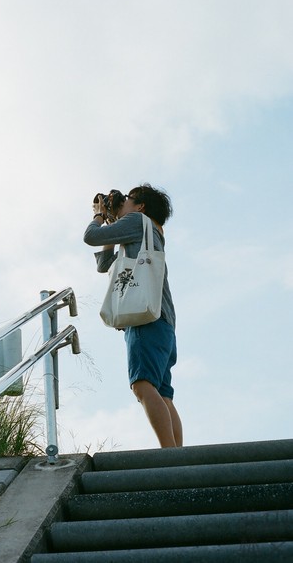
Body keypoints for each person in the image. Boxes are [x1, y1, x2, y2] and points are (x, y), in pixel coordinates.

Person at [83, 184, 183, 448]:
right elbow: (104, 264)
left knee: (142, 385)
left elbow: (91, 236)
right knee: (163, 393)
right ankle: (178, 455)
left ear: (140, 206)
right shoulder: (152, 231)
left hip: (143, 318)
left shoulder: (137, 221)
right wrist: (113, 224)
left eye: (128, 198)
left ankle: (169, 455)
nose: (123, 201)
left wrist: (98, 215)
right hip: (164, 321)